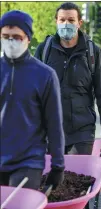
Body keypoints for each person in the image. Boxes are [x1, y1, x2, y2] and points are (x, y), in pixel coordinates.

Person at [34, 2, 101, 155]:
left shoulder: (92, 52)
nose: (66, 24)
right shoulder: (44, 50)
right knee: (49, 178)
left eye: (71, 20)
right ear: (56, 22)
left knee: (76, 177)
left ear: (79, 23)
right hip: (48, 132)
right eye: (62, 20)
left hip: (81, 133)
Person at [0, 10, 65, 190]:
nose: (10, 41)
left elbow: (54, 123)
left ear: (28, 38)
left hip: (28, 162)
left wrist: (58, 165)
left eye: (16, 37)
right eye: (5, 36)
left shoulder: (45, 75)